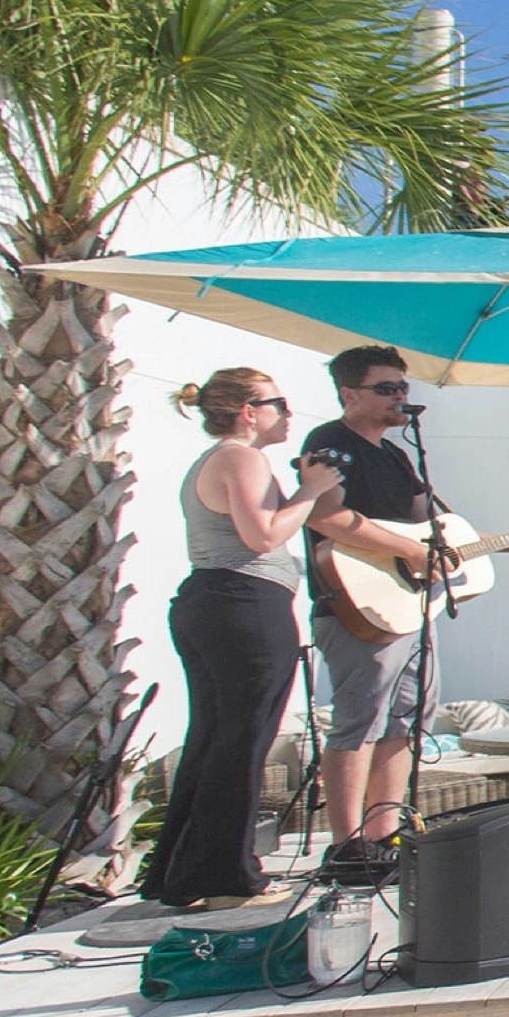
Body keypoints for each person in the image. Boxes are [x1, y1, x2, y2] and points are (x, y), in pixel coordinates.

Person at [139, 369, 339, 907]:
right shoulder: (241, 458)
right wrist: (311, 491)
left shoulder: (220, 460)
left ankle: (179, 875)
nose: (289, 413)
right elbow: (262, 536)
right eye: (280, 403)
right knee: (243, 741)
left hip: (213, 604)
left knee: (214, 737)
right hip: (242, 605)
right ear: (249, 412)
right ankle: (225, 879)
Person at [301, 346, 458, 865]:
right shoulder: (329, 443)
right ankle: (346, 846)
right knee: (360, 719)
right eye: (386, 388)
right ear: (349, 394)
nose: (399, 397)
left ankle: (383, 835)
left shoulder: (395, 454)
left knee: (408, 718)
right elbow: (325, 516)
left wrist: (471, 541)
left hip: (405, 605)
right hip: (354, 606)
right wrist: (409, 550)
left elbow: (425, 520)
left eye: (403, 388)